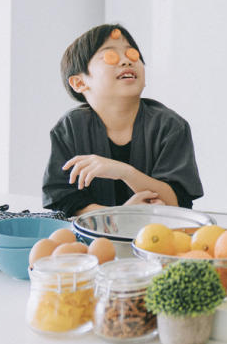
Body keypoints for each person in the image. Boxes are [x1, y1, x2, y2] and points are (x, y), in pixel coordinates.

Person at [42, 24, 203, 216]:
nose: (127, 61)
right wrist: (121, 214)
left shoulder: (170, 126)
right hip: (90, 241)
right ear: (80, 82)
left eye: (133, 54)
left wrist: (125, 172)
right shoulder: (70, 128)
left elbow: (177, 203)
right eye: (111, 56)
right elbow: (64, 201)